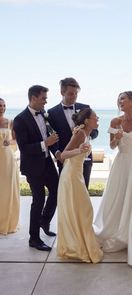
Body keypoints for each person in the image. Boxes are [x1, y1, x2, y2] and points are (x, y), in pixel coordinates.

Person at [94, 91, 132, 267]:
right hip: (121, 162)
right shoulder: (115, 121)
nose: (120, 102)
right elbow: (112, 146)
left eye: (124, 99)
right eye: (119, 99)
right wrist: (117, 138)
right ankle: (117, 231)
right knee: (119, 196)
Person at [13, 85, 59, 251]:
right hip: (32, 166)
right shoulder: (20, 120)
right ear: (33, 98)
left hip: (47, 162)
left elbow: (49, 136)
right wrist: (45, 143)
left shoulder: (44, 115)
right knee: (38, 200)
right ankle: (34, 238)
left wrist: (55, 148)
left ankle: (44, 221)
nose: (46, 101)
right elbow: (24, 148)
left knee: (57, 191)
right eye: (43, 98)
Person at [57, 108, 103, 263]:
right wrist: (78, 150)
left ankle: (79, 242)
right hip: (71, 176)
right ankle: (76, 246)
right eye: (95, 117)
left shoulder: (85, 133)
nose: (98, 119)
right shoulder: (81, 134)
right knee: (83, 209)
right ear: (87, 121)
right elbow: (63, 155)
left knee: (80, 210)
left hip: (77, 175)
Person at [48, 77, 98, 188]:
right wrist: (57, 154)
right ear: (62, 92)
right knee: (67, 192)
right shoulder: (52, 113)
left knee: (83, 191)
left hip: (84, 158)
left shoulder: (85, 108)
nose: (74, 96)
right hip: (65, 159)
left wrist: (86, 135)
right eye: (71, 94)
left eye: (76, 93)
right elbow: (51, 137)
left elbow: (95, 131)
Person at [0, 98, 20, 235]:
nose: (2, 108)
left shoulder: (10, 122)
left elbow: (16, 139)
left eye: (4, 105)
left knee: (6, 190)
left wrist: (9, 141)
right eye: (0, 106)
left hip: (7, 159)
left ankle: (7, 222)